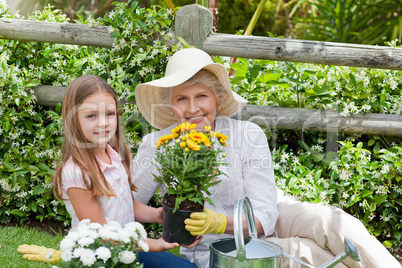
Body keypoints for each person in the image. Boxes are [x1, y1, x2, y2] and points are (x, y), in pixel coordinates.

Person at [132, 48, 401, 268]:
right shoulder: (157, 145)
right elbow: (126, 202)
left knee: (328, 220)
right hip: (219, 247)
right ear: (170, 105)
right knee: (309, 253)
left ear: (217, 97)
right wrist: (162, 218)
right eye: (182, 98)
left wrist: (218, 219)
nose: (193, 108)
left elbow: (265, 211)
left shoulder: (247, 133)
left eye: (201, 95)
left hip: (270, 215)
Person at [17, 75, 200, 267]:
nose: (103, 123)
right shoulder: (76, 172)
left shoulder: (114, 155)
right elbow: (102, 236)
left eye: (110, 114)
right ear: (73, 120)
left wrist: (156, 215)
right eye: (91, 116)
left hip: (127, 249)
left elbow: (125, 203)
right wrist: (155, 244)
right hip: (100, 258)